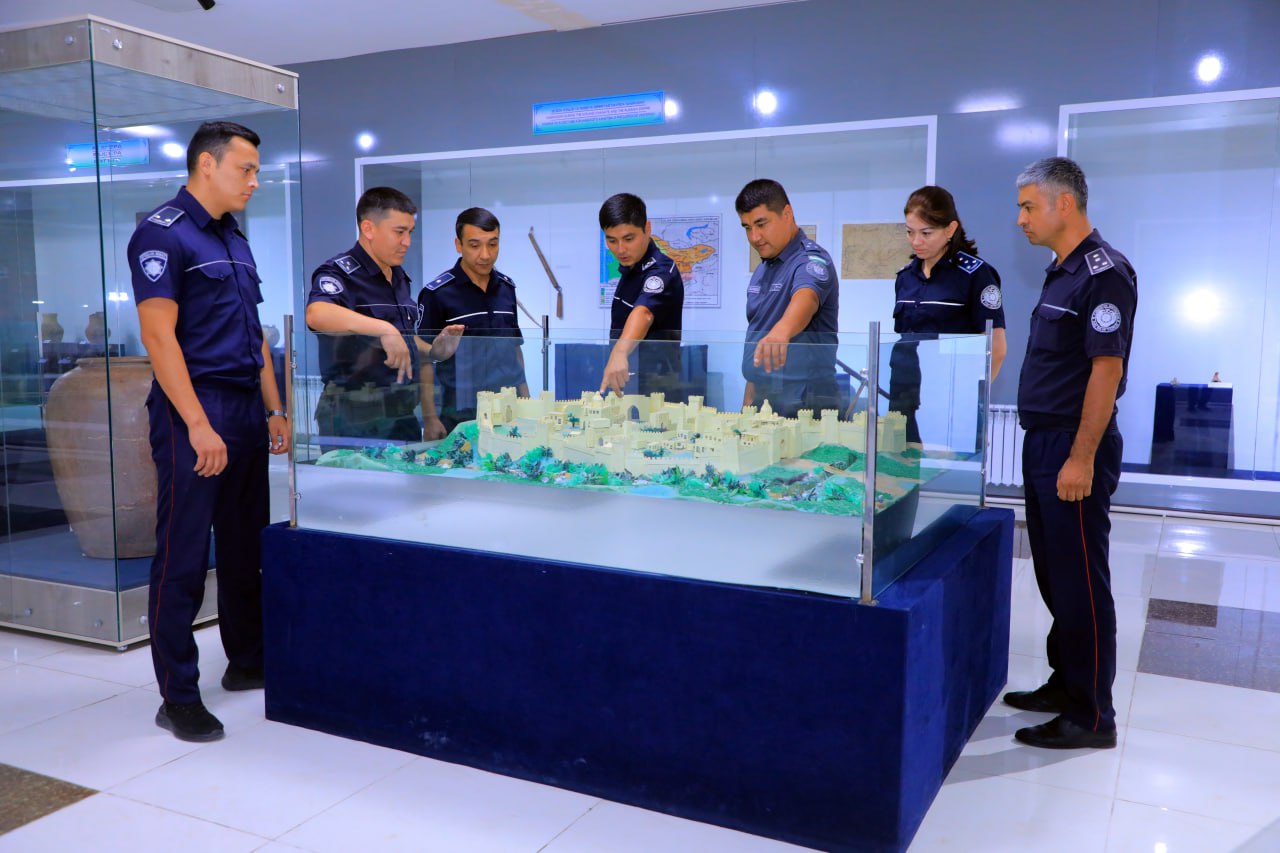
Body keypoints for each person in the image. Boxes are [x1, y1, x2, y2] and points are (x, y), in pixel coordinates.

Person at [128, 120, 289, 742]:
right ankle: (178, 695)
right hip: (194, 408)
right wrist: (197, 423)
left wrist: (274, 409)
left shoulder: (232, 237)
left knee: (247, 549)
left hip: (246, 408)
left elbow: (256, 335)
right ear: (206, 165)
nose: (254, 181)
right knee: (185, 555)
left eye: (256, 171)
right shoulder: (163, 234)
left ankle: (247, 660)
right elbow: (158, 336)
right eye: (246, 169)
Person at [1004, 156, 1137, 750]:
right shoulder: (1062, 272)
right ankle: (1066, 683)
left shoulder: (1104, 274)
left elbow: (1106, 372)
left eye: (1028, 206)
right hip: (1044, 440)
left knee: (1082, 579)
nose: (1021, 218)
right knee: (1056, 574)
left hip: (1073, 443)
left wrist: (1081, 457)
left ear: (1064, 203)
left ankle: (1092, 715)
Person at [306, 187, 423, 448]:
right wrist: (384, 328)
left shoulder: (398, 277)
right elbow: (317, 313)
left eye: (410, 232)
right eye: (399, 232)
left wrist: (435, 350)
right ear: (368, 229)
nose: (407, 242)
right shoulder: (341, 273)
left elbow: (402, 340)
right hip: (354, 416)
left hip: (400, 413)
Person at [890, 185, 1007, 443]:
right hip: (904, 399)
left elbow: (996, 348)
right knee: (901, 466)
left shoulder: (976, 275)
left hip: (951, 404)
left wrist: (971, 400)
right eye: (910, 232)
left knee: (948, 468)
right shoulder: (905, 277)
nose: (916, 241)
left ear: (950, 229)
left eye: (926, 233)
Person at [417, 207, 527, 437]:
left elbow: (515, 349)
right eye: (475, 245)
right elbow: (424, 360)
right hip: (459, 412)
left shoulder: (507, 288)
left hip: (507, 409)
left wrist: (526, 403)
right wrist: (430, 418)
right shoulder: (437, 293)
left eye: (493, 244)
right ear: (459, 245)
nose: (485, 255)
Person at [736, 179, 839, 418]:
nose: (754, 237)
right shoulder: (763, 269)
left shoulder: (810, 260)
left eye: (761, 224)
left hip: (803, 400)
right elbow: (757, 335)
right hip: (764, 396)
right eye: (747, 227)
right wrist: (748, 404)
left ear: (787, 214)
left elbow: (807, 297)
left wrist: (782, 331)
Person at [598, 193, 685, 398]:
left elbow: (644, 313)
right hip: (629, 379)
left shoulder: (661, 271)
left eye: (629, 239)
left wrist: (619, 352)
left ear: (647, 228)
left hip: (658, 387)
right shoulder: (631, 269)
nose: (620, 249)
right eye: (612, 240)